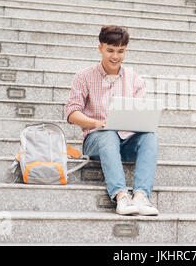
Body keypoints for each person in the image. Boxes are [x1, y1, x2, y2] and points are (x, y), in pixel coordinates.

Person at [64, 25, 159, 216]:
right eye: (110, 50)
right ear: (101, 48)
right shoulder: (84, 76)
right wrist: (96, 123)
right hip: (97, 140)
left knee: (150, 136)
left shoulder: (135, 79)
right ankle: (121, 196)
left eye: (120, 51)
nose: (115, 56)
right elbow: (72, 113)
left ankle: (141, 196)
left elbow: (140, 115)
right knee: (108, 133)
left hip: (127, 141)